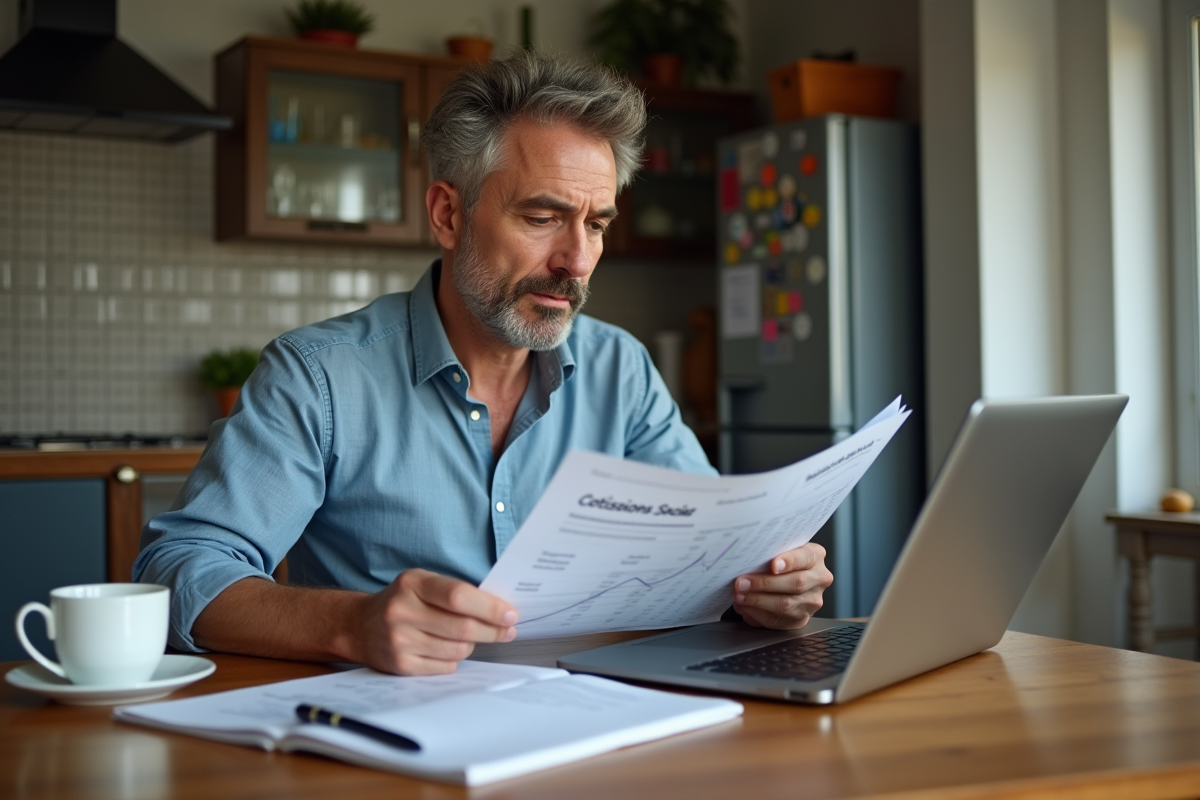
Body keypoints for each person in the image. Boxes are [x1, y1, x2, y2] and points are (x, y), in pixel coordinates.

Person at [135, 52, 832, 676]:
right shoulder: (317, 377)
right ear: (447, 214)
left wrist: (764, 586)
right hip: (393, 745)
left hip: (599, 727)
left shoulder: (621, 369)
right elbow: (178, 572)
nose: (577, 261)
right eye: (541, 217)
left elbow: (710, 555)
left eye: (595, 224)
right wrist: (349, 626)